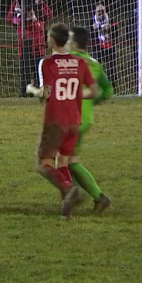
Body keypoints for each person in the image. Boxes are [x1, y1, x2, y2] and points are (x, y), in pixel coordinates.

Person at [26, 23, 99, 218]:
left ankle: (68, 190)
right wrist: (73, 94)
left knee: (43, 164)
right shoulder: (80, 63)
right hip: (74, 121)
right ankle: (67, 208)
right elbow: (93, 92)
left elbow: (45, 94)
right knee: (63, 164)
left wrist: (31, 90)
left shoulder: (47, 63)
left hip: (55, 121)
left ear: (51, 39)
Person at [67, 26, 114, 214]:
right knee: (69, 161)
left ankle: (89, 196)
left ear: (74, 42)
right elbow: (107, 90)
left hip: (70, 117)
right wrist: (90, 101)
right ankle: (81, 194)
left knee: (58, 161)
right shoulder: (94, 63)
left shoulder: (68, 61)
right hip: (85, 118)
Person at [7, 0, 52, 97]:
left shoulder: (39, 21)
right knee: (25, 76)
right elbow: (10, 19)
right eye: (27, 11)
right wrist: (14, 3)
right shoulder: (20, 23)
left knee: (39, 75)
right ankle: (25, 93)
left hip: (39, 53)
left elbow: (49, 14)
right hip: (25, 53)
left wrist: (40, 3)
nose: (29, 13)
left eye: (30, 11)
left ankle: (40, 92)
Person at [90, 3, 118, 87]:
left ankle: (111, 86)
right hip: (97, 47)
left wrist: (110, 30)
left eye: (102, 11)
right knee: (96, 67)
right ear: (95, 12)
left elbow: (116, 34)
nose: (100, 12)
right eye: (98, 11)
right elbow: (89, 35)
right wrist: (94, 29)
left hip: (109, 47)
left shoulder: (111, 20)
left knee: (111, 68)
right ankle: (96, 86)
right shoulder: (91, 21)